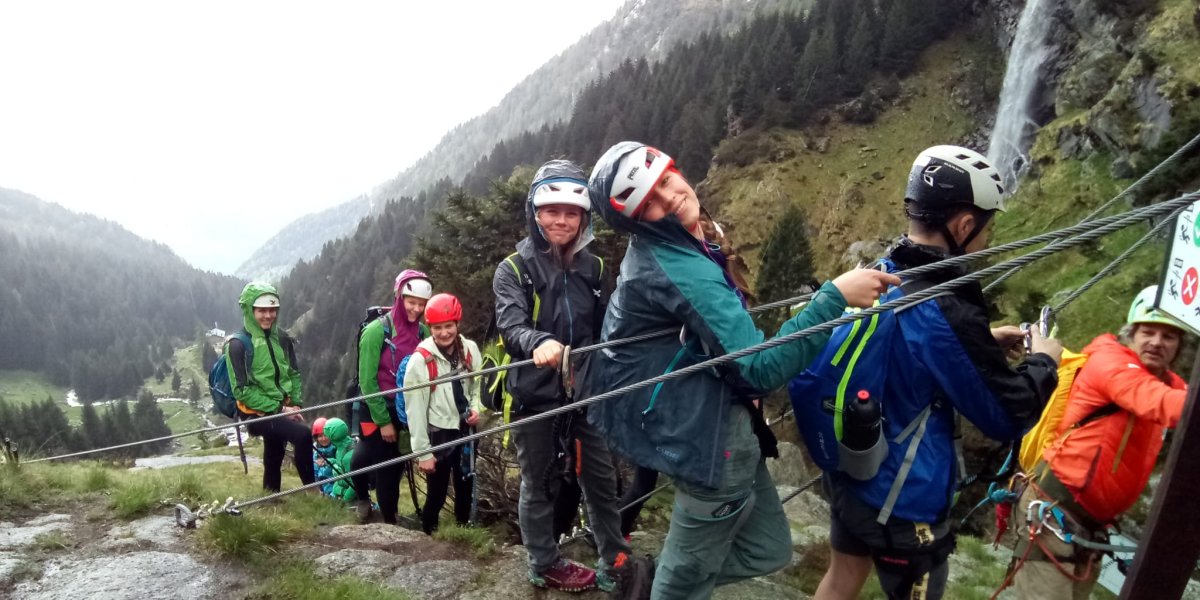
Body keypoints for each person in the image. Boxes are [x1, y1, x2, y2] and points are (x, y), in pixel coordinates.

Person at [587, 141, 898, 599]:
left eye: (666, 181)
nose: (668, 197)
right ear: (635, 220)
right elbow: (758, 370)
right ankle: (666, 585)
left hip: (710, 426)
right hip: (704, 443)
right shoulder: (678, 267)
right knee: (686, 580)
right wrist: (832, 299)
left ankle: (656, 579)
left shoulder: (676, 245)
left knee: (768, 550)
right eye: (648, 203)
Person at [805, 145, 1061, 600]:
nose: (986, 238)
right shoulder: (947, 311)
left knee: (842, 576)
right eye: (985, 227)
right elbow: (1008, 414)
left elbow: (913, 351)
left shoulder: (885, 272)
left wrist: (983, 342)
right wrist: (1044, 361)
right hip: (904, 501)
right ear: (963, 225)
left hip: (853, 472)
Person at [493, 159, 630, 592]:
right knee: (539, 481)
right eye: (552, 211)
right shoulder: (514, 269)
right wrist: (537, 342)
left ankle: (615, 557)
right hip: (534, 393)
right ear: (535, 213)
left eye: (572, 213)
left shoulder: (596, 269)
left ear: (584, 218)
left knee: (601, 478)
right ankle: (543, 561)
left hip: (585, 390)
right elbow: (510, 324)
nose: (561, 220)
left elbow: (610, 324)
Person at [1008, 286, 1188, 598]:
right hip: (1054, 510)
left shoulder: (1171, 384)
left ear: (1179, 346)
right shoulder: (1111, 363)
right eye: (1148, 332)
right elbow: (1163, 403)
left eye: (1168, 336)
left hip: (1090, 523)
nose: (1157, 342)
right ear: (1131, 333)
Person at [351, 269, 433, 524]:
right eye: (412, 302)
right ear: (399, 297)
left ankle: (384, 512)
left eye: (421, 304)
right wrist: (383, 420)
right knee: (387, 465)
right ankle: (388, 521)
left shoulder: (421, 332)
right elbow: (367, 380)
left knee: (393, 463)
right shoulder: (377, 331)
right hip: (378, 409)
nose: (416, 309)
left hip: (405, 408)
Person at [405, 293, 483, 534]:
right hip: (439, 433)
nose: (444, 333)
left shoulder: (469, 350)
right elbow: (415, 410)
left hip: (465, 428)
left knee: (465, 484)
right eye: (437, 328)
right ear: (430, 327)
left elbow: (476, 385)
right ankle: (429, 535)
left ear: (457, 324)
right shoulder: (421, 360)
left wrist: (476, 408)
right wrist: (423, 452)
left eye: (448, 326)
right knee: (437, 493)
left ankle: (463, 534)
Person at [226, 281, 314, 492]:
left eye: (272, 310)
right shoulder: (238, 345)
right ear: (250, 310)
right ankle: (313, 491)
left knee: (275, 450)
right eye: (262, 310)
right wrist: (280, 410)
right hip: (255, 414)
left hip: (282, 408)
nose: (268, 315)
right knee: (302, 436)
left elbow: (293, 373)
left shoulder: (282, 338)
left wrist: (295, 405)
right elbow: (241, 391)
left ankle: (271, 495)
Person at [323, 417, 358, 503]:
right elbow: (341, 465)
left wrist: (344, 501)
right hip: (340, 490)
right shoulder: (341, 448)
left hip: (350, 497)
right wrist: (331, 461)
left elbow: (354, 484)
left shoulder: (348, 457)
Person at [312, 418, 338, 496]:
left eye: (325, 435)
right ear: (316, 438)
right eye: (320, 436)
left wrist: (327, 462)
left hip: (336, 481)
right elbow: (314, 471)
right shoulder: (315, 450)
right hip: (321, 482)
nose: (323, 439)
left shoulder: (336, 448)